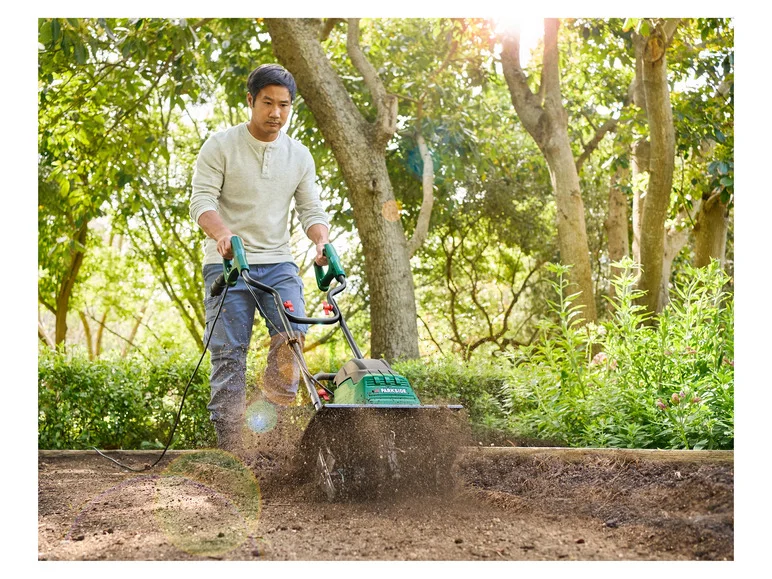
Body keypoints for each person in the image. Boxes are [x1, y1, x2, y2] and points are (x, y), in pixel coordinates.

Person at [189, 63, 330, 452]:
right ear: (250, 101)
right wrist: (223, 234)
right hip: (228, 263)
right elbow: (201, 200)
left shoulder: (299, 156)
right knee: (229, 354)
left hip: (278, 262)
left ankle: (270, 437)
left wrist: (321, 242)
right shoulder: (220, 146)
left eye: (284, 105)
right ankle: (232, 447)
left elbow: (311, 209)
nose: (276, 113)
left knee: (291, 339)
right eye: (268, 103)